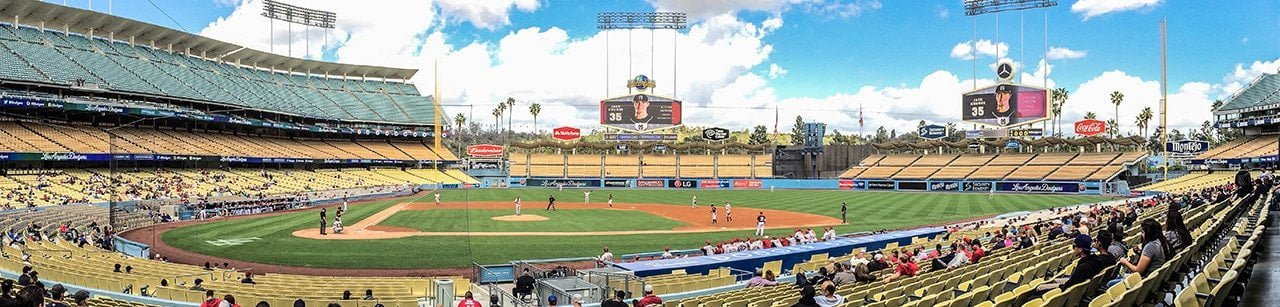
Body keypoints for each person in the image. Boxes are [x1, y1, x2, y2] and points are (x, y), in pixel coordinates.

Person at [1037, 234, 1116, 292]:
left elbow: (1069, 286)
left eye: (1074, 246)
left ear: (1080, 249)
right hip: (1078, 289)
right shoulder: (1095, 260)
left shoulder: (1084, 266)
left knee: (1039, 288)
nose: (1073, 249)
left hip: (1067, 290)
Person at [1111, 219, 1170, 288]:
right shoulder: (1162, 241)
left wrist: (1125, 262)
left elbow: (1138, 270)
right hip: (1154, 278)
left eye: (1142, 232)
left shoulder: (1150, 246)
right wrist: (1140, 253)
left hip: (1144, 280)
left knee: (1110, 283)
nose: (1141, 235)